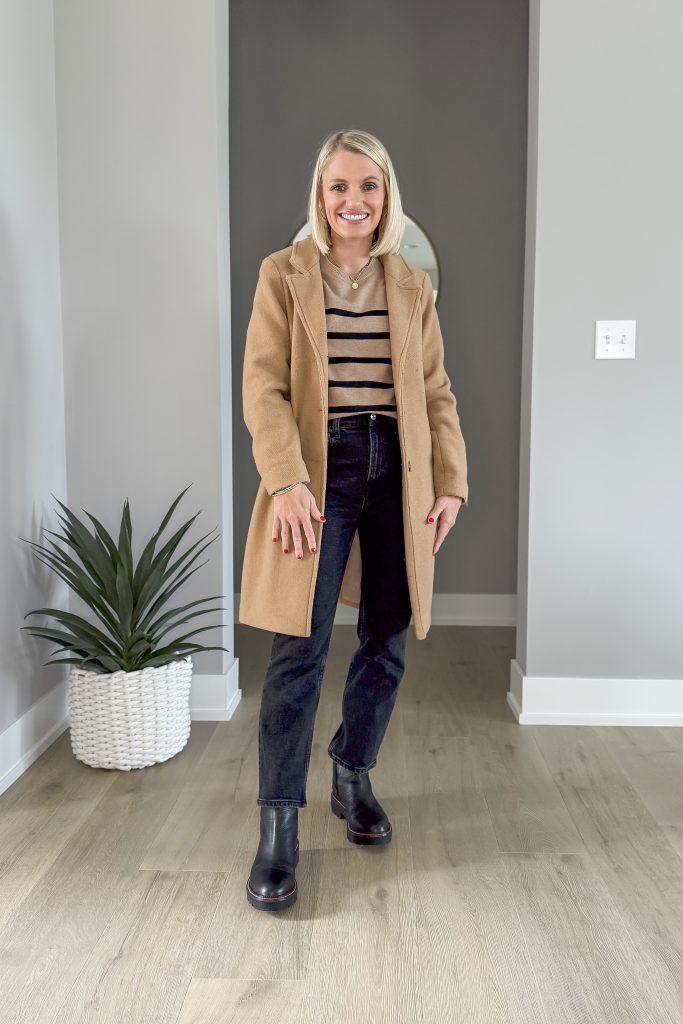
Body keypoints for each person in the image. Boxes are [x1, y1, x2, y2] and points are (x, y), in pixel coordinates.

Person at [241, 129, 469, 911]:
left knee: (386, 637)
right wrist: (286, 481)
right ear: (320, 194)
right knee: (297, 652)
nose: (352, 202)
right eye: (338, 187)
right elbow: (263, 387)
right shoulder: (283, 274)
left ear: (384, 196)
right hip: (318, 472)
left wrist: (450, 484)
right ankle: (277, 827)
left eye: (367, 187)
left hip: (398, 474)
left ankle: (351, 772)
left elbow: (435, 395)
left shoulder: (407, 285)